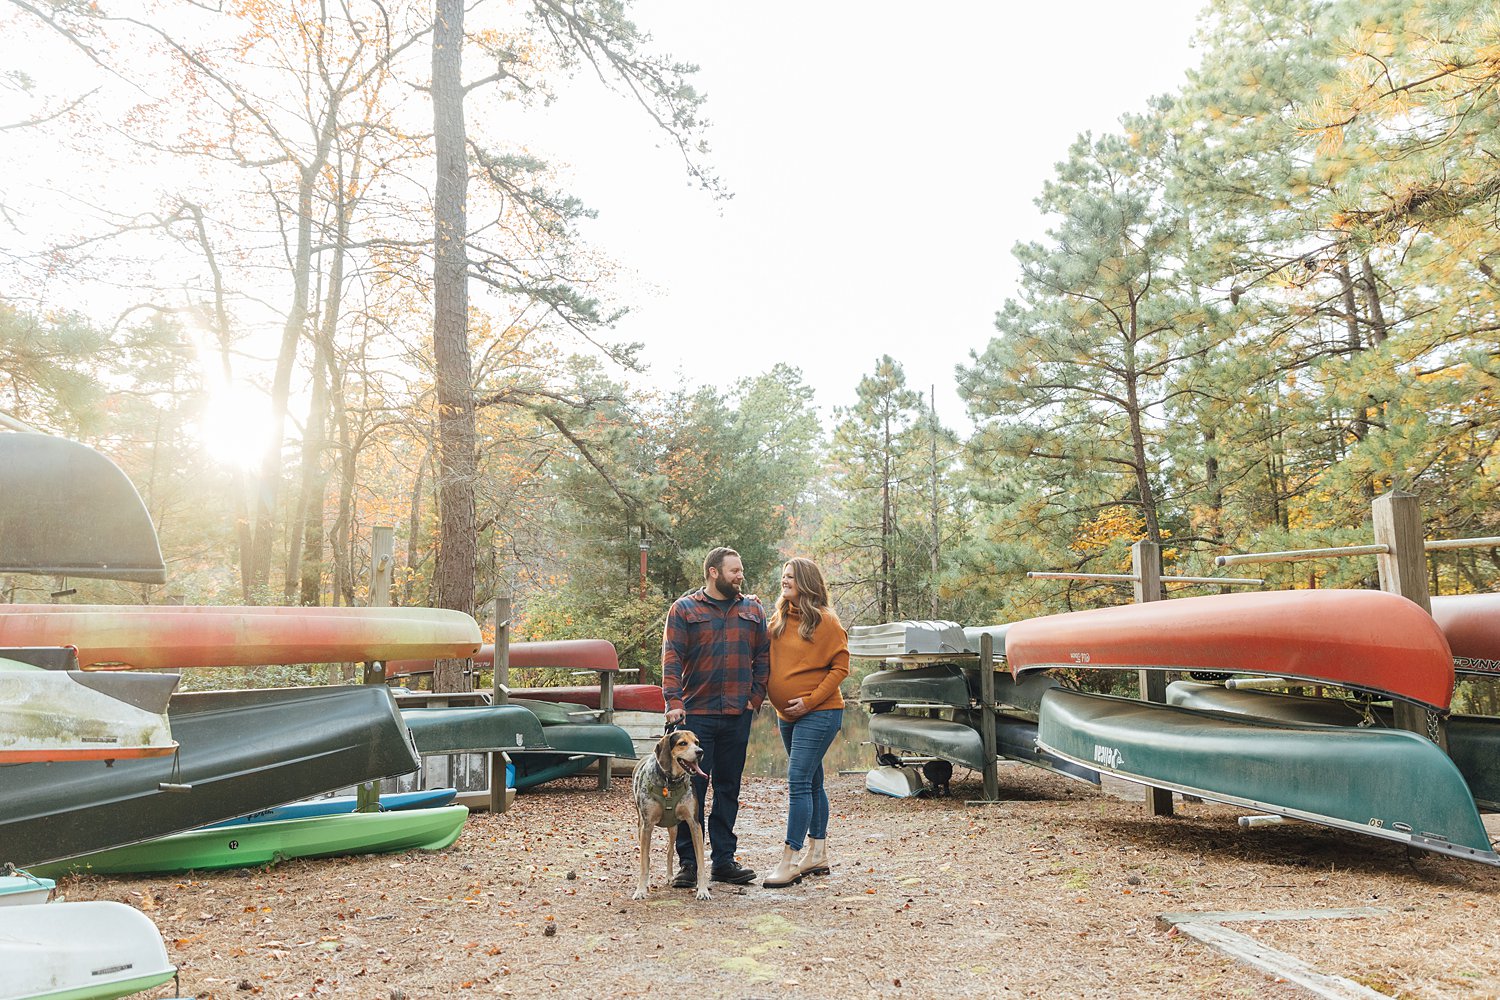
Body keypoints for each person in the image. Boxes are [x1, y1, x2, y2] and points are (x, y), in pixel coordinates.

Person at [660, 546, 768, 887]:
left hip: (737, 713)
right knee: (690, 790)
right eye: (734, 570)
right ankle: (690, 865)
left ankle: (723, 861)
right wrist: (673, 701)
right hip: (696, 715)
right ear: (713, 572)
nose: (740, 576)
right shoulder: (684, 610)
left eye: (741, 570)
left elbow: (763, 655)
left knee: (727, 788)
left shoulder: (752, 609)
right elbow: (672, 657)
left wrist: (756, 696)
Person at [763, 557, 848, 888]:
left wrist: (810, 701)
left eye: (792, 577)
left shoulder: (826, 622)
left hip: (821, 712)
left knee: (798, 781)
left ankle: (789, 860)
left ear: (807, 582)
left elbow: (840, 669)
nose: (785, 581)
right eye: (783, 576)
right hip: (787, 715)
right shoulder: (779, 621)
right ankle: (818, 854)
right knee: (812, 782)